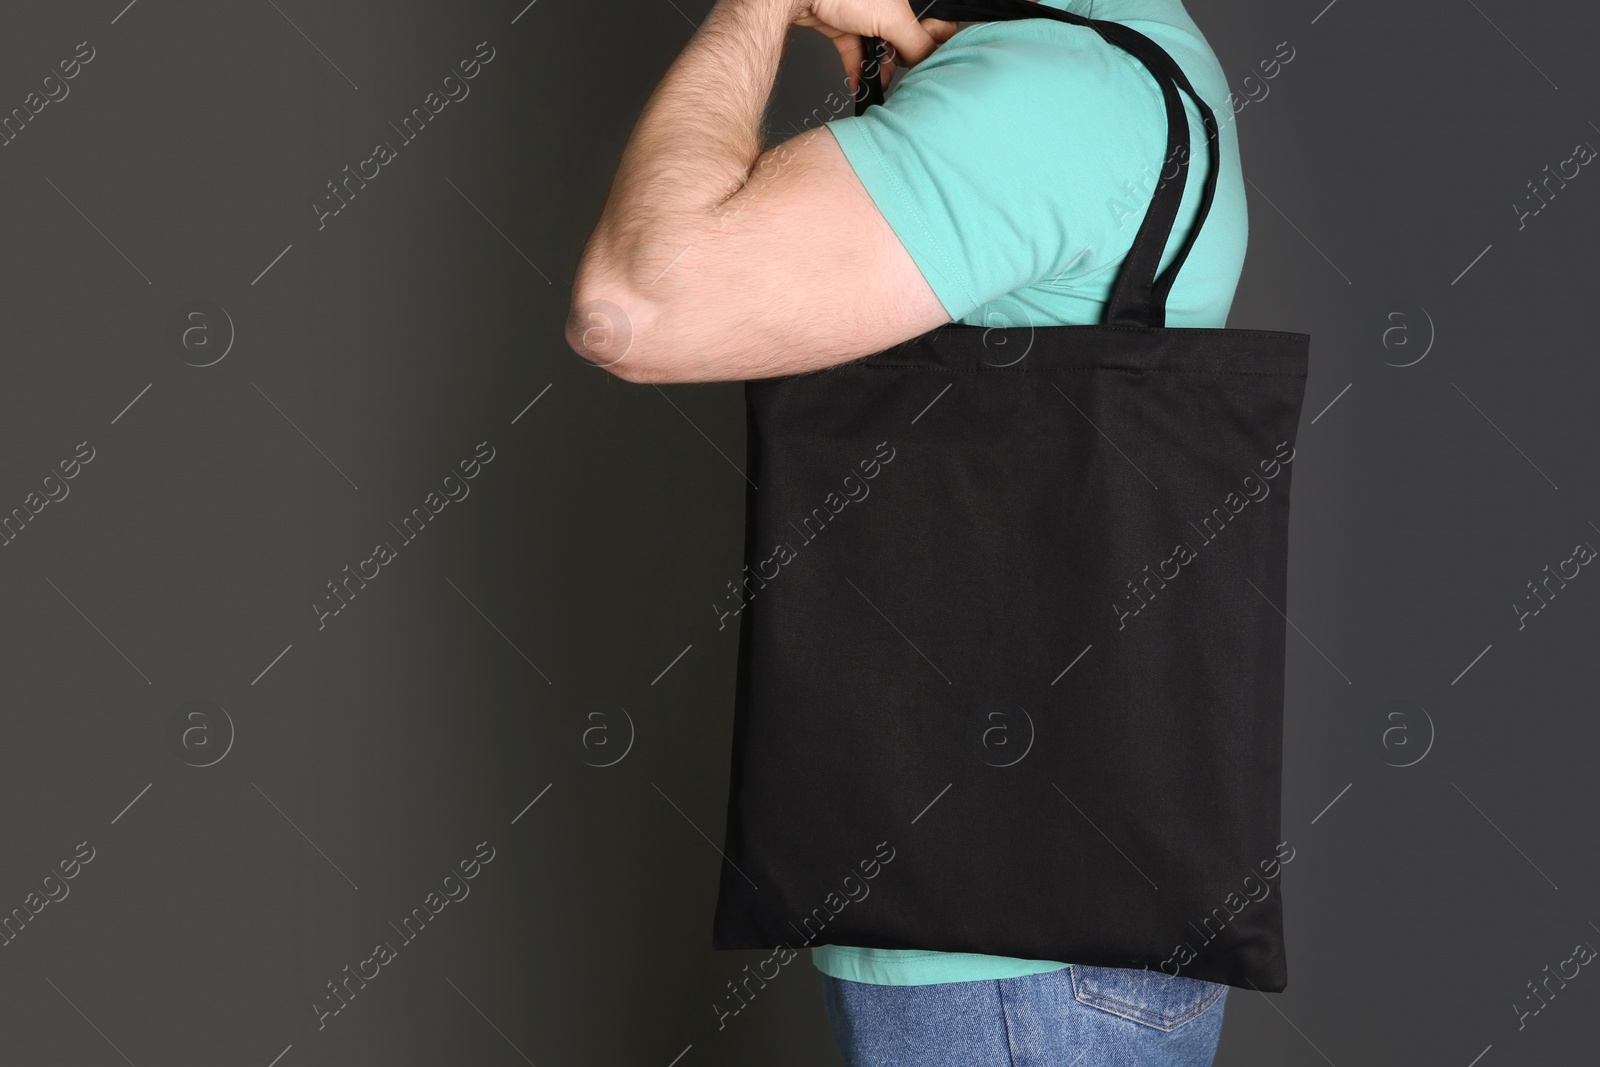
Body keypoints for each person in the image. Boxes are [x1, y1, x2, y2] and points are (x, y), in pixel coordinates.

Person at [568, 0, 1245, 1062]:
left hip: (1005, 958)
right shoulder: (1122, 55)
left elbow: (629, 307)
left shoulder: (1049, 87)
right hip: (1053, 930)